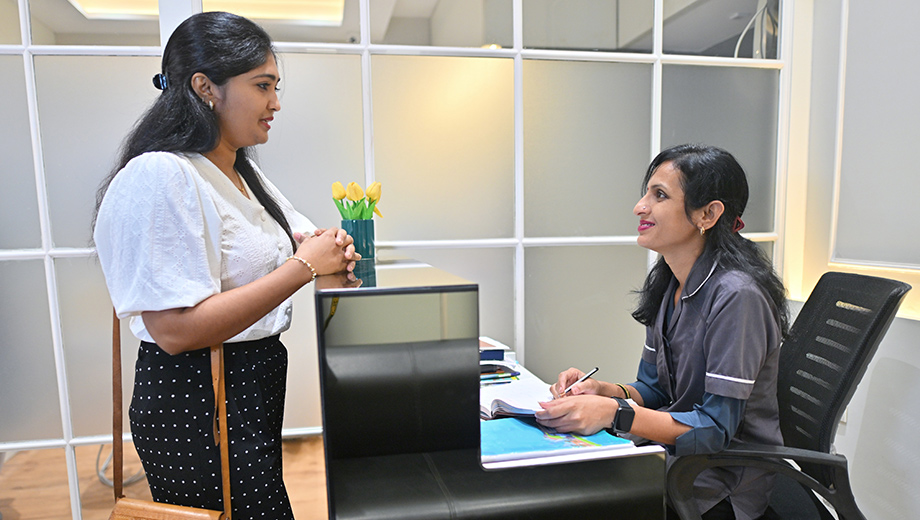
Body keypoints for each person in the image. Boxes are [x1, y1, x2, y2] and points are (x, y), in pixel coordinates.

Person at [92, 12, 358, 518]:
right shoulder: (160, 175)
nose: (275, 103)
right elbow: (172, 329)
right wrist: (305, 266)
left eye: (276, 86)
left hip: (246, 389)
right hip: (196, 401)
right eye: (262, 86)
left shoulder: (238, 170)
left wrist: (329, 250)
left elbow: (304, 241)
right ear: (204, 87)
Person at [535, 144, 789, 520]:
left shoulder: (737, 297)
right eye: (646, 193)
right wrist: (603, 391)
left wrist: (614, 412)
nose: (640, 207)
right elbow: (654, 390)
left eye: (660, 195)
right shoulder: (673, 283)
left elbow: (715, 430)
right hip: (675, 464)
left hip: (717, 487)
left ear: (708, 213)